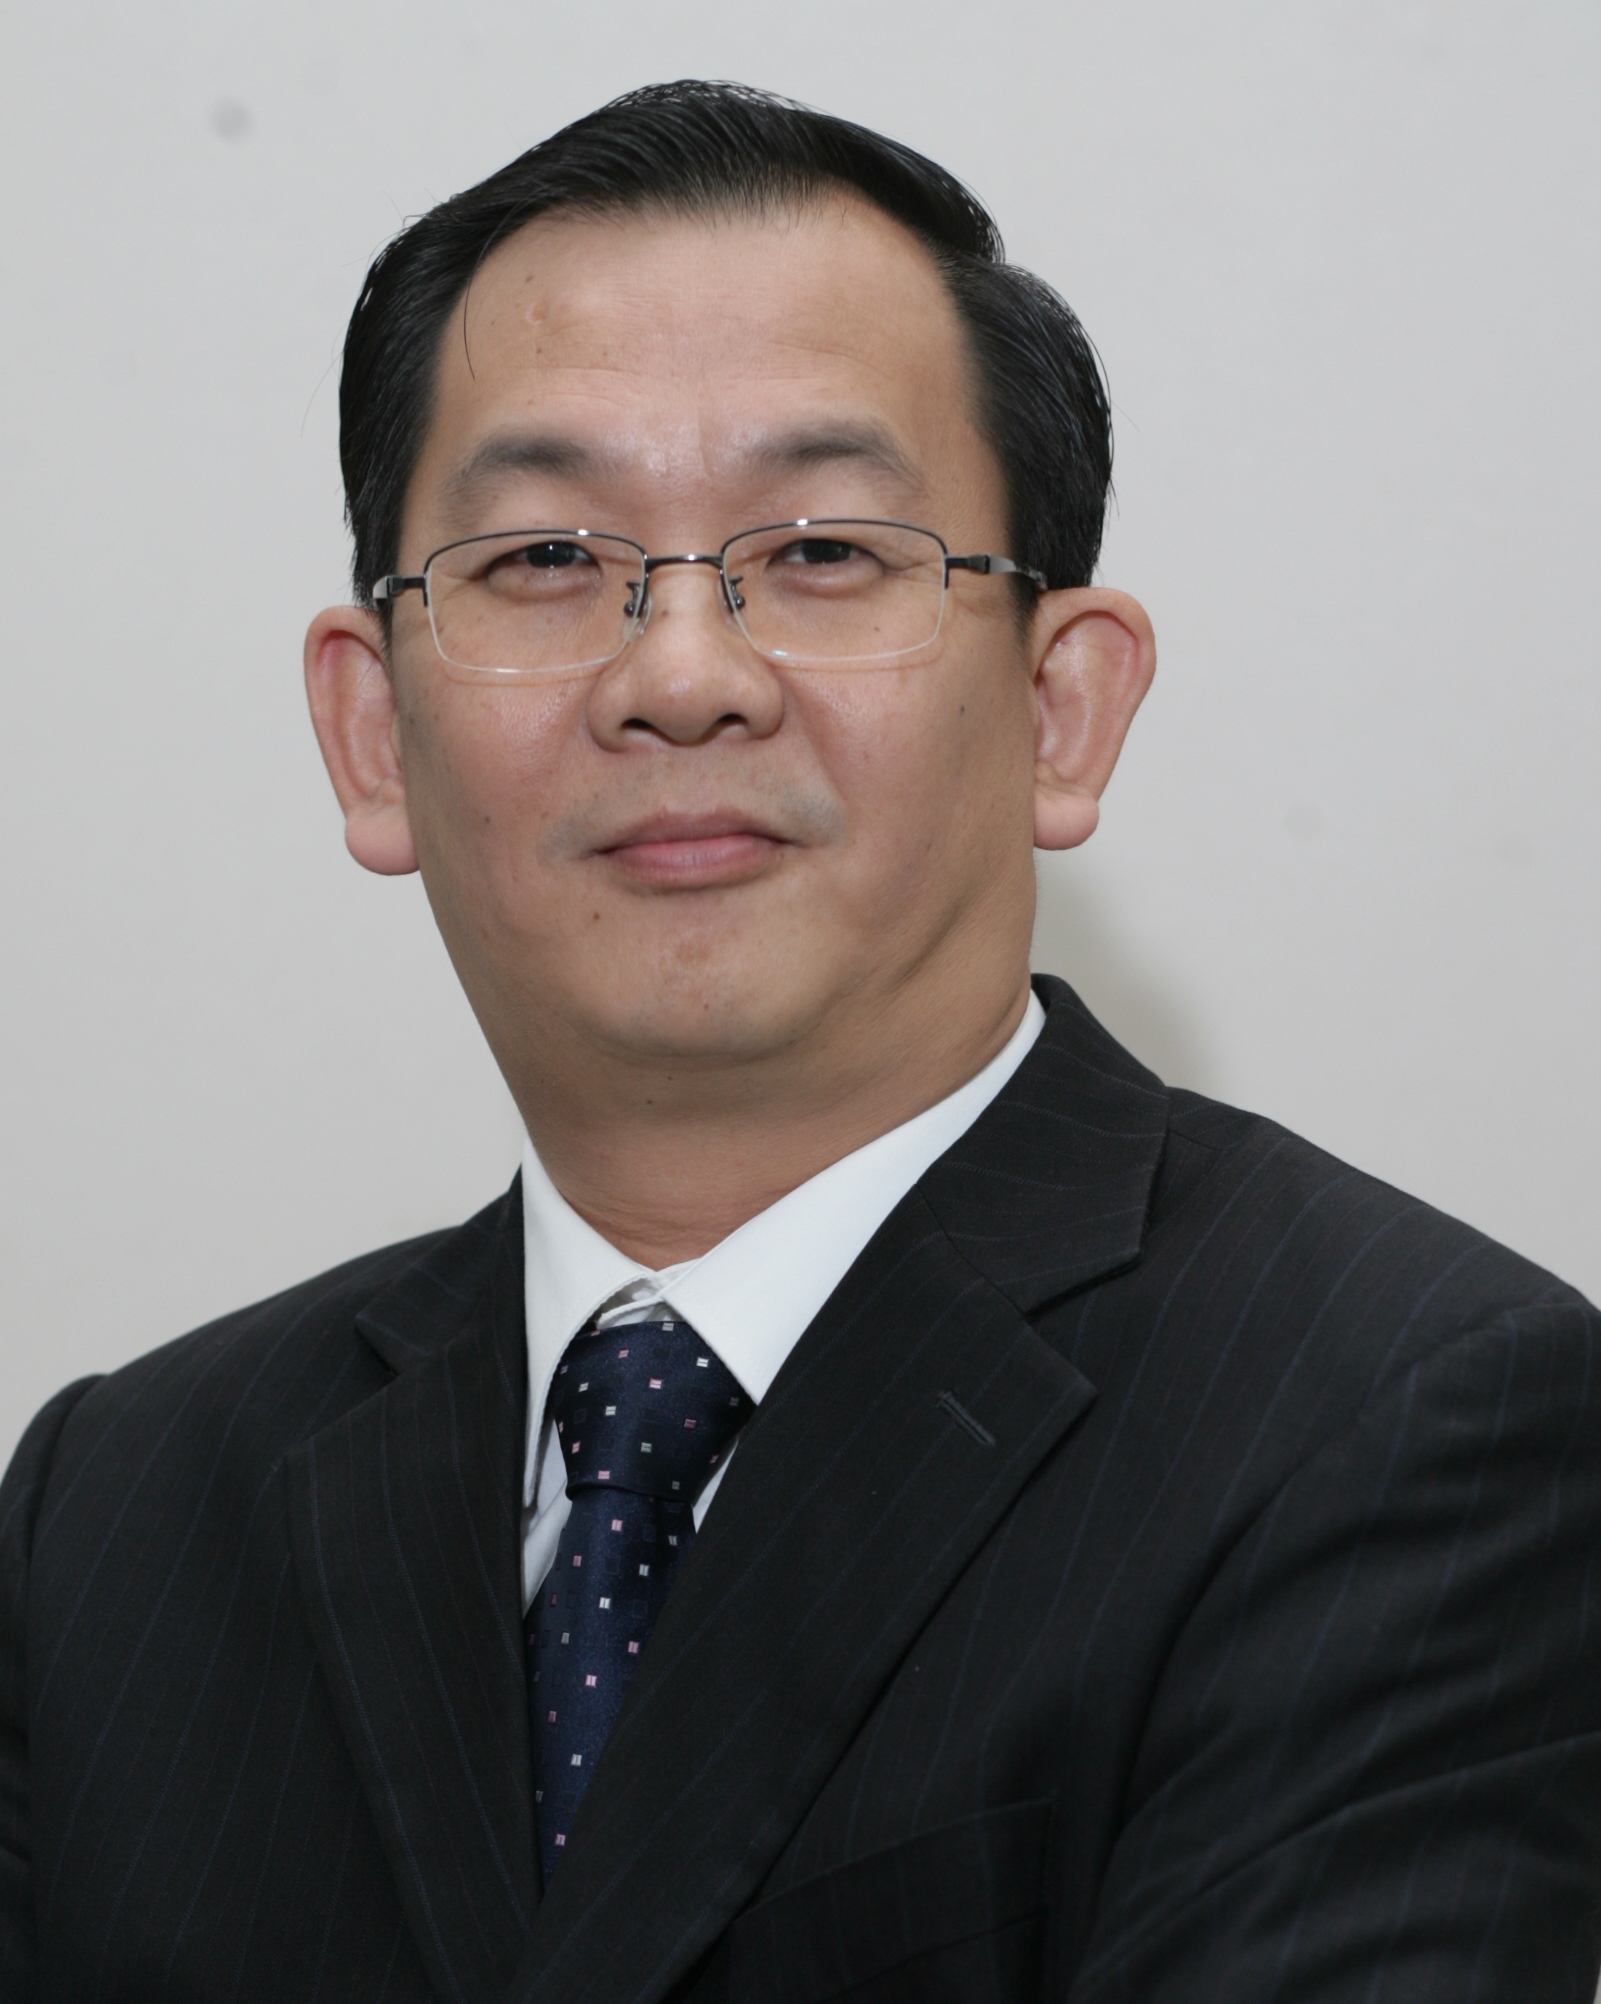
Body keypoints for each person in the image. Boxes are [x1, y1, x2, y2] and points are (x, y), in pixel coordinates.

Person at [2, 79, 1598, 2004]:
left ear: (1062, 709)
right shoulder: (117, 1513)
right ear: (369, 736)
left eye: (827, 552)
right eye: (543, 560)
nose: (680, 676)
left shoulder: (1398, 1419)